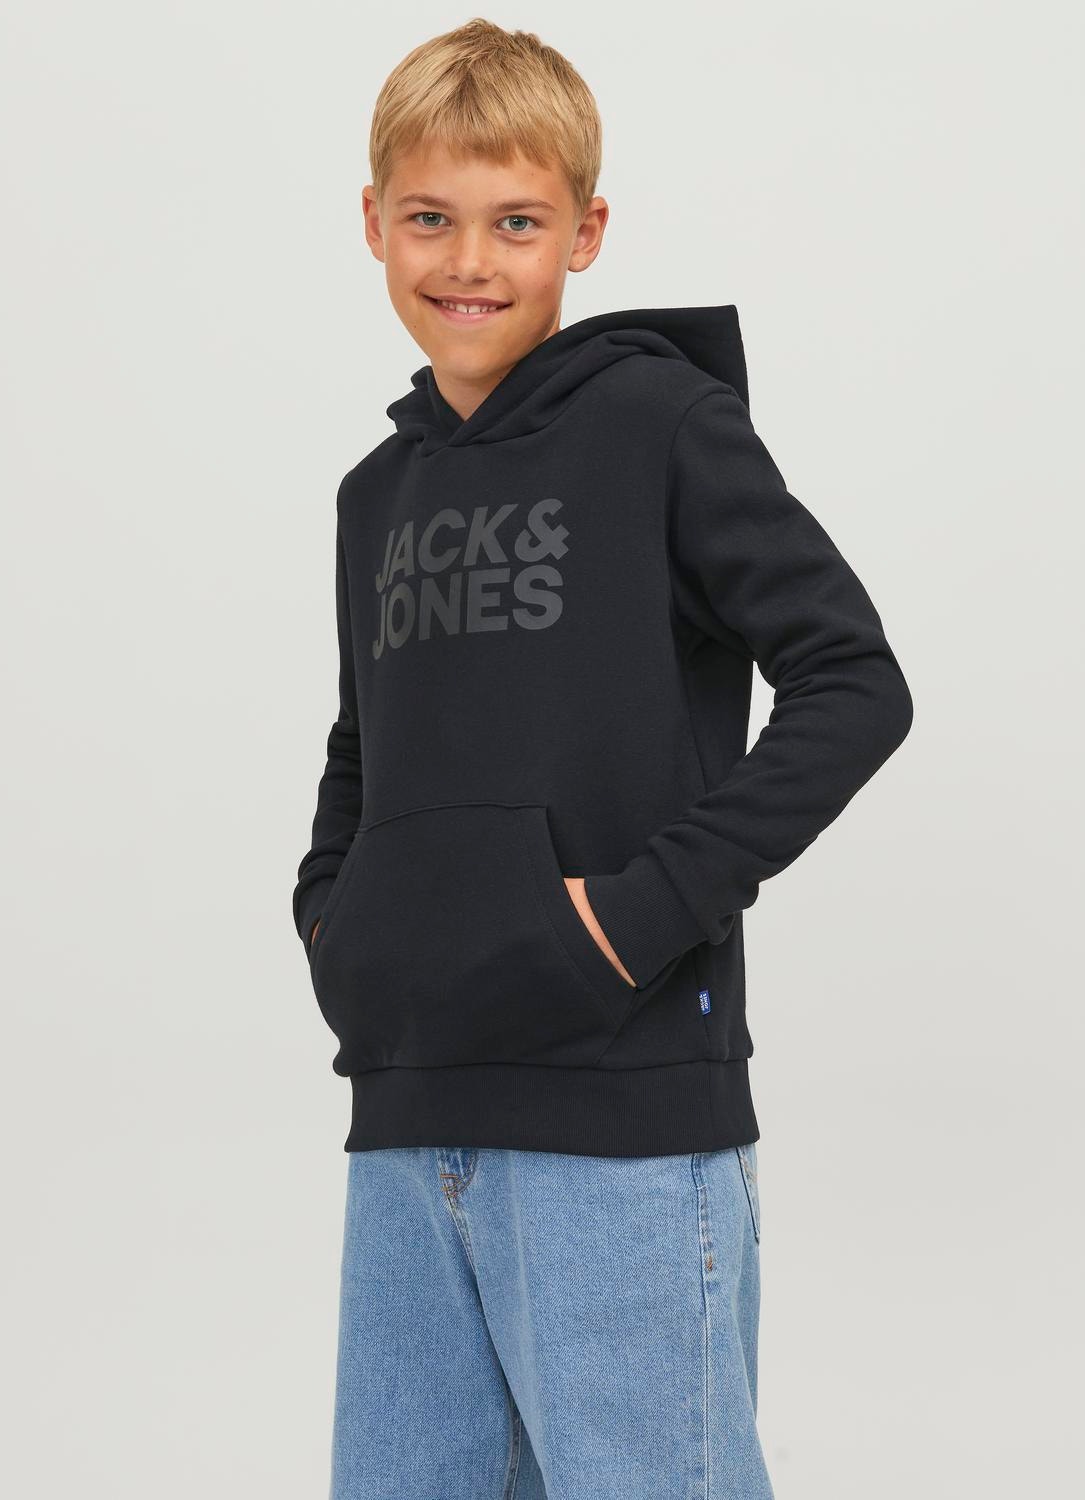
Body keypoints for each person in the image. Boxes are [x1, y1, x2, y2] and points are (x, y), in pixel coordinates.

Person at [291, 18, 913, 1499]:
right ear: (371, 223)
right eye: (430, 219)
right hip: (409, 1115)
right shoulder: (376, 493)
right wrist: (337, 922)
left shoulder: (660, 426)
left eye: (516, 223)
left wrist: (636, 917)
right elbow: (362, 740)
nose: (470, 261)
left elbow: (853, 682)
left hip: (620, 1121)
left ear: (585, 232)